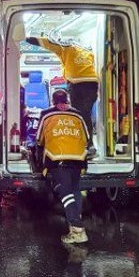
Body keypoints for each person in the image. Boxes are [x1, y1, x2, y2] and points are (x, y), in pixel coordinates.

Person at [26, 36, 98, 156]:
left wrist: (28, 38)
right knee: (85, 114)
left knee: (77, 115)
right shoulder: (87, 51)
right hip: (92, 83)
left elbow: (48, 43)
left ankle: (85, 145)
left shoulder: (65, 47)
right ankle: (89, 145)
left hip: (77, 82)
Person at [36, 89, 90, 244]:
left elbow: (39, 139)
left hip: (57, 157)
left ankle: (77, 228)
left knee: (64, 191)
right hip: (78, 158)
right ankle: (75, 223)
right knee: (75, 190)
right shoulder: (78, 114)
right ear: (67, 100)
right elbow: (87, 138)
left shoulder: (46, 114)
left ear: (53, 101)